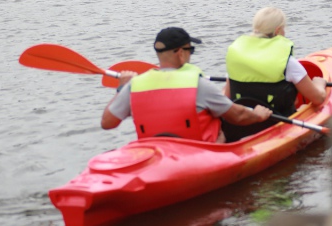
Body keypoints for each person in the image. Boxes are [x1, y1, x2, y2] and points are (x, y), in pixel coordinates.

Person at [101, 27, 272, 143]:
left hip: (155, 152)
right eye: (191, 50)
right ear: (181, 54)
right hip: (201, 153)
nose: (191, 54)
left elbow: (107, 123)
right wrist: (257, 114)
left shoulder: (134, 86)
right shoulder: (198, 85)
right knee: (222, 120)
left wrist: (122, 88)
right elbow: (239, 116)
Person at [223, 7, 327, 142]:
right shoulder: (288, 62)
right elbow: (318, 98)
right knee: (303, 106)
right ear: (278, 31)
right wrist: (320, 83)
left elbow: (226, 98)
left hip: (240, 126)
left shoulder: (236, 57)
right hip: (277, 125)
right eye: (284, 29)